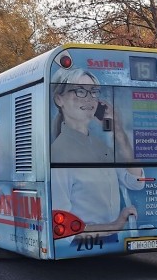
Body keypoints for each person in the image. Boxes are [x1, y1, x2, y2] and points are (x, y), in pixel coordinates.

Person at [50, 67, 144, 232]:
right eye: (80, 91)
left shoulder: (101, 147)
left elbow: (136, 182)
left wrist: (119, 132)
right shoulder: (58, 153)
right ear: (59, 99)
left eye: (93, 92)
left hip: (109, 244)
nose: (89, 99)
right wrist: (113, 226)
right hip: (80, 247)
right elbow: (61, 230)